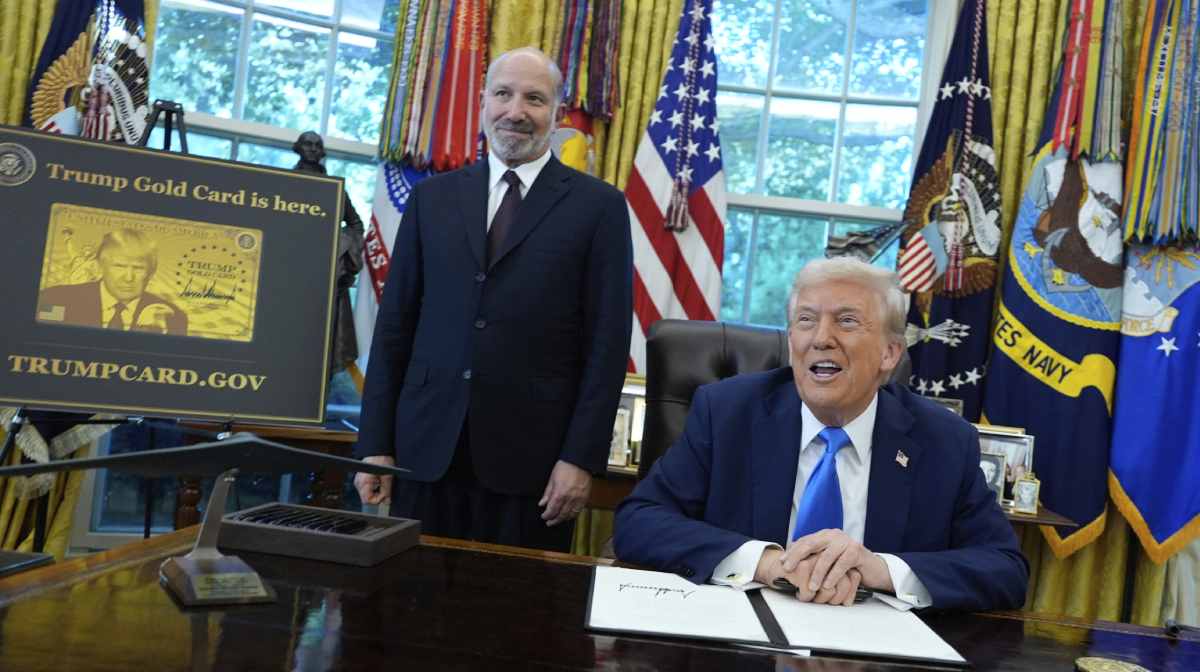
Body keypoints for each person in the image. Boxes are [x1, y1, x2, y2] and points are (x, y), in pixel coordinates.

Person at [613, 257, 1027, 612]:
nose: (821, 338)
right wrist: (767, 563)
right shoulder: (727, 413)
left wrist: (879, 569)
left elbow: (1005, 568)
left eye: (846, 321)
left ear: (890, 354)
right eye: (806, 320)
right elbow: (639, 522)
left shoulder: (944, 439)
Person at [353, 47, 633, 552]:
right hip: (424, 454)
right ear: (483, 102)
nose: (515, 111)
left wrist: (580, 458)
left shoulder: (600, 209)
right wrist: (375, 446)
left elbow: (607, 347)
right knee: (403, 614)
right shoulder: (432, 199)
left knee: (515, 620)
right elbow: (394, 327)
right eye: (503, 94)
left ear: (558, 113)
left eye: (534, 98)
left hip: (534, 466)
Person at [291, 130, 365, 376]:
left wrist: (341, 250)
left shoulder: (335, 190)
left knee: (323, 344)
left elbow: (356, 225)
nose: (312, 149)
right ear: (298, 148)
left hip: (325, 276)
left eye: (317, 145)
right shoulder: (284, 183)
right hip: (289, 270)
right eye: (308, 144)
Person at [37, 228, 187, 335]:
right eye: (119, 266)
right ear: (101, 266)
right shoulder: (55, 299)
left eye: (138, 268)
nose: (128, 277)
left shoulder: (173, 317)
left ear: (151, 272)